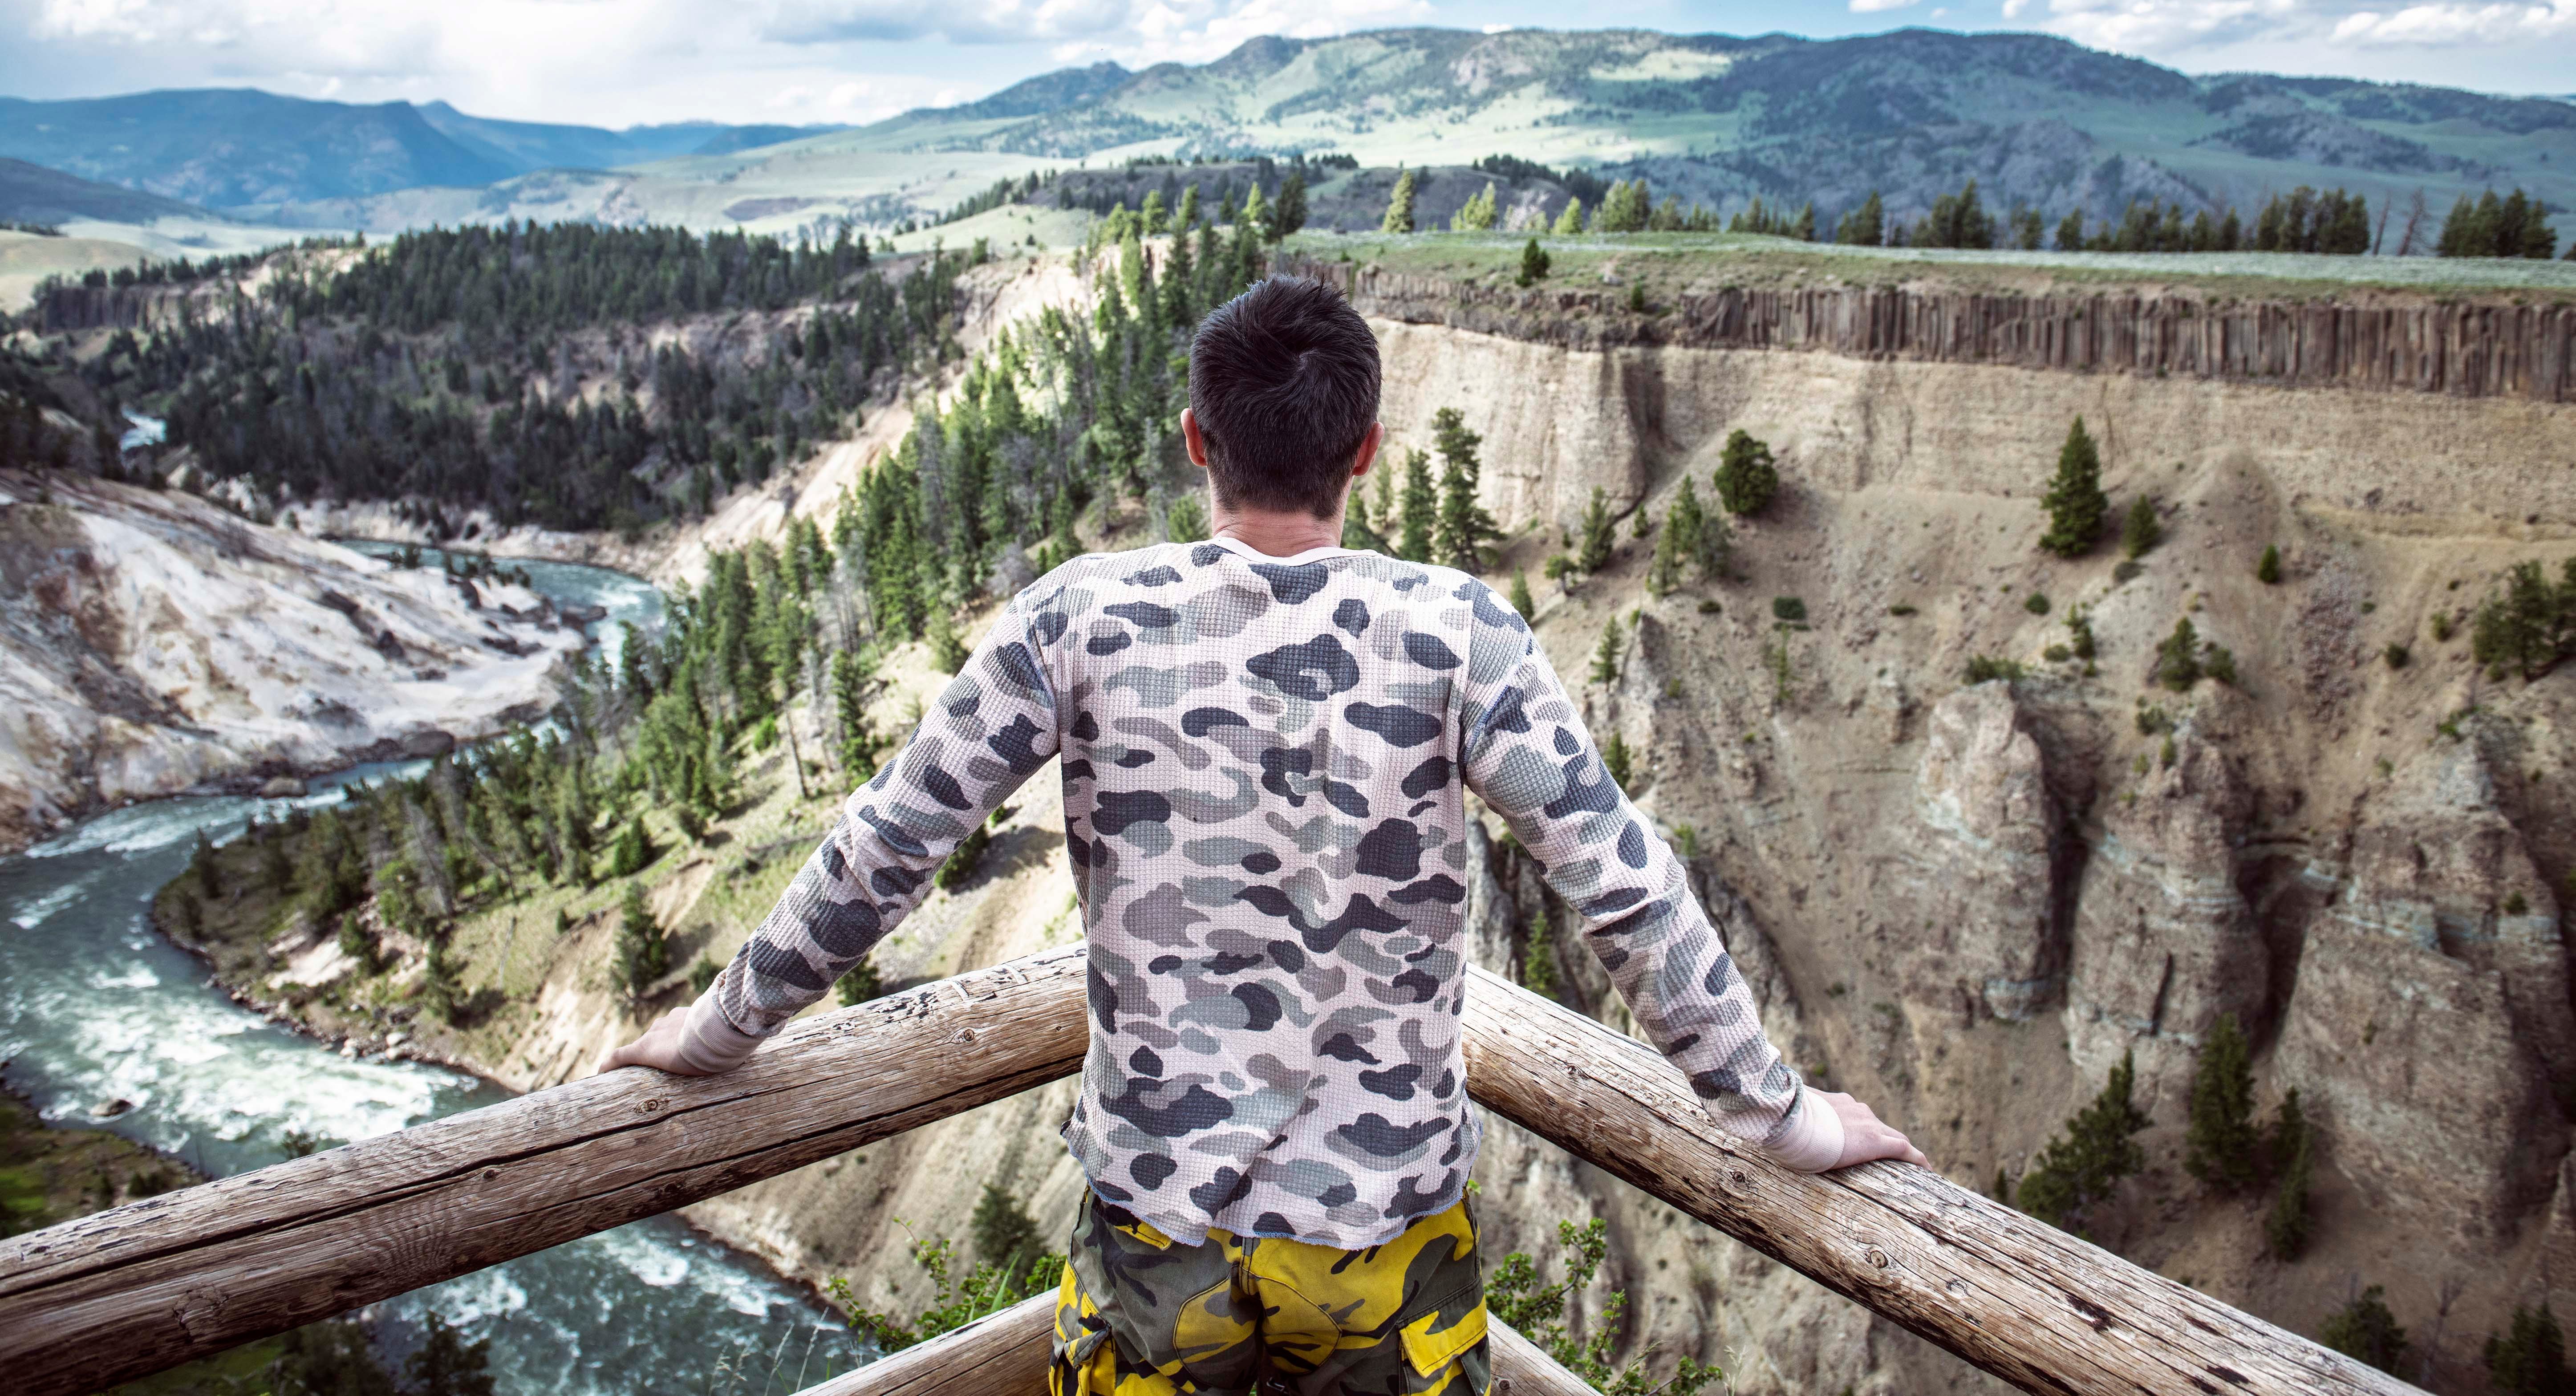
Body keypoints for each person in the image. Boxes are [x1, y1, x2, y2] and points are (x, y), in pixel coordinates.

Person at [604, 274, 1925, 1395]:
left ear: (1196, 440)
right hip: (1385, 1244)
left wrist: (717, 1030)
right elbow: (1625, 895)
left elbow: (887, 847)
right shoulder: (1458, 632)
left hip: (1156, 1235)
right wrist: (1779, 1116)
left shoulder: (1078, 619)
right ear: (1363, 450)